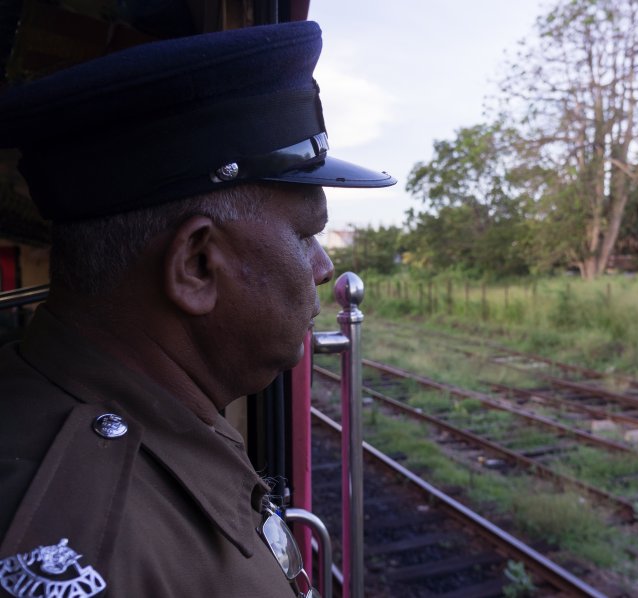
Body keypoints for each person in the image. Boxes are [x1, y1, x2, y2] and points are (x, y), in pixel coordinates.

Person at [0, 20, 395, 597]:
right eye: (306, 234)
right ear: (197, 266)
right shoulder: (80, 550)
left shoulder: (137, 412)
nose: (323, 267)